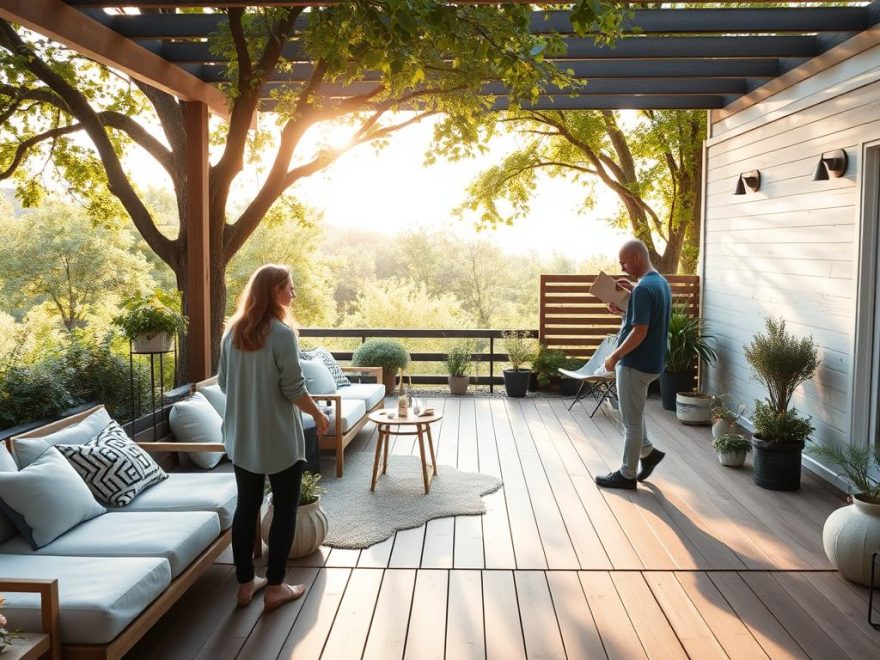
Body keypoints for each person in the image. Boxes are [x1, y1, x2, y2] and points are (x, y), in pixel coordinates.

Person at [218, 264, 330, 611]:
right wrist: (317, 413)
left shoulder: (232, 333)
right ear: (272, 292)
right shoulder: (282, 334)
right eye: (288, 288)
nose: (293, 294)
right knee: (284, 510)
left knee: (246, 508)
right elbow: (294, 388)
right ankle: (277, 585)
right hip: (279, 439)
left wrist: (250, 395)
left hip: (242, 439)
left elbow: (223, 383)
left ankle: (245, 583)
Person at [595, 239, 671, 490]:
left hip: (634, 364)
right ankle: (648, 454)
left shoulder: (642, 290)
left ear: (637, 257)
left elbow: (639, 332)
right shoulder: (660, 283)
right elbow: (645, 317)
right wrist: (623, 308)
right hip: (653, 362)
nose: (622, 267)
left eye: (624, 262)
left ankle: (627, 474)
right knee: (635, 411)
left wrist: (614, 356)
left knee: (631, 423)